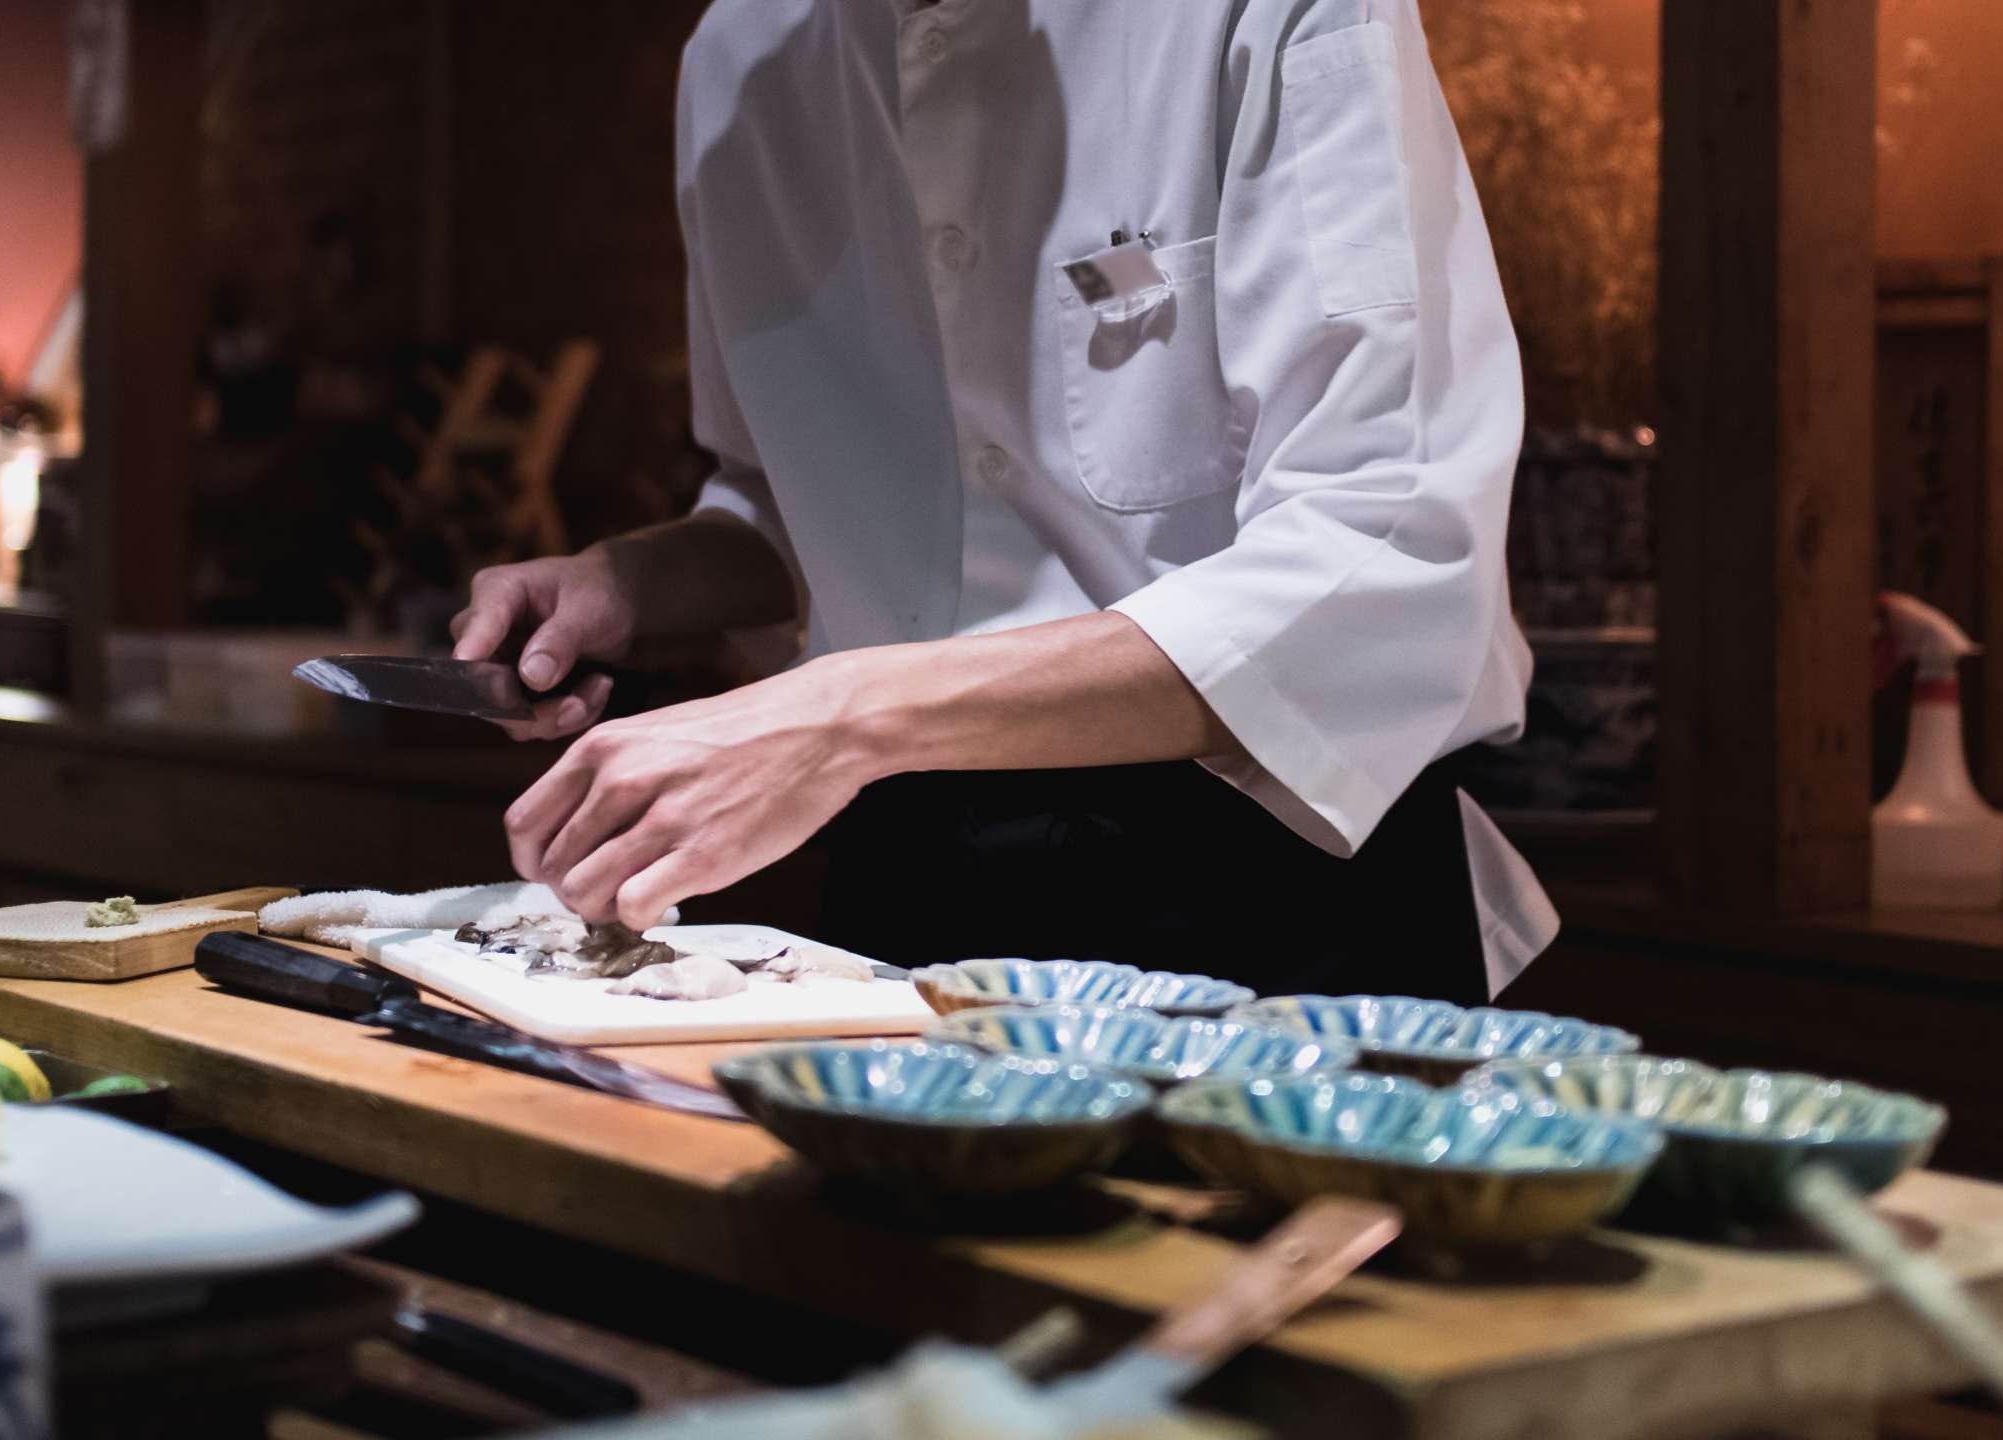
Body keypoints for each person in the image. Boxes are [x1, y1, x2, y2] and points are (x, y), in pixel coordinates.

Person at [452, 0, 1556, 1000]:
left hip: (1275, 884)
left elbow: (1387, 550)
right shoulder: (739, 60)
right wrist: (635, 584)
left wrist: (846, 718)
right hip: (916, 885)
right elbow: (795, 502)